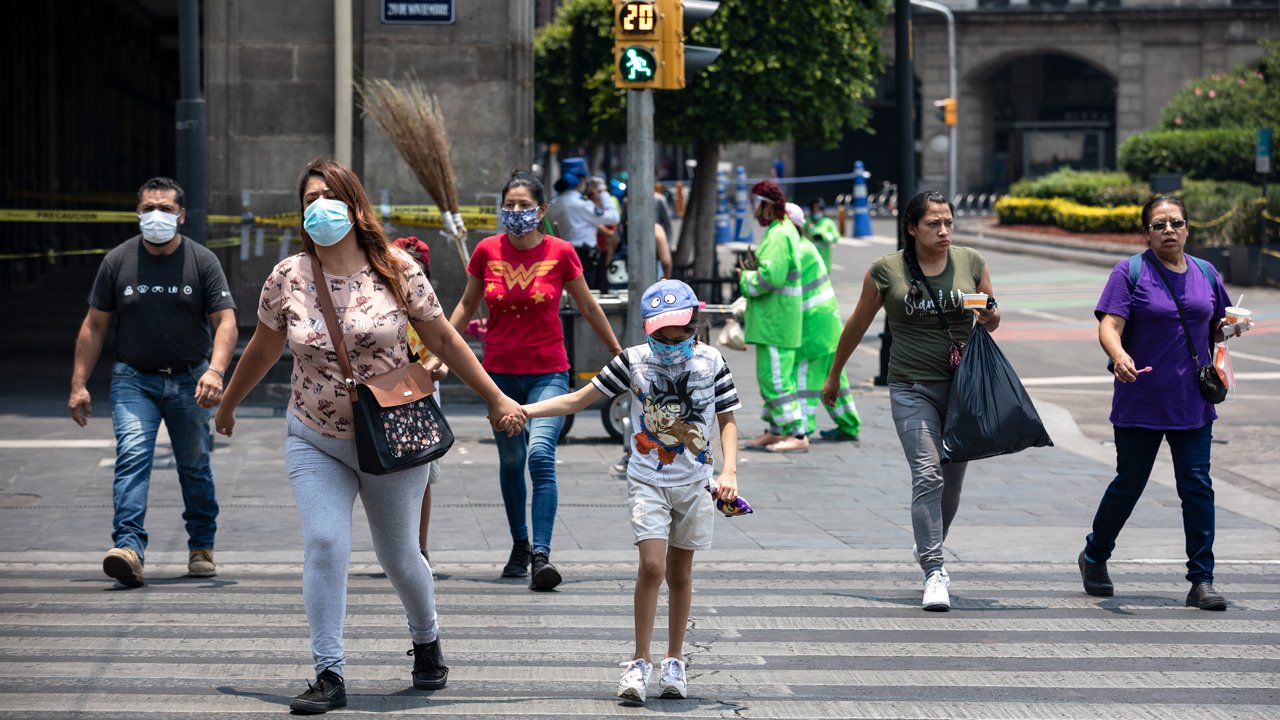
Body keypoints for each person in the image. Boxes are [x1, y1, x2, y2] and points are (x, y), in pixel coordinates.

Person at [214, 156, 526, 713]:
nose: (319, 208)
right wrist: (229, 402)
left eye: (328, 197)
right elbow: (262, 348)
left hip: (393, 433)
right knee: (326, 543)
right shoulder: (287, 277)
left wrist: (495, 396)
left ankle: (427, 640)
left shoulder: (398, 269)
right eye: (308, 200)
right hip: (314, 433)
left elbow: (446, 339)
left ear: (355, 206)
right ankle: (328, 672)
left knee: (400, 555)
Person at [504, 279, 740, 705]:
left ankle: (675, 661)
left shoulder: (712, 362)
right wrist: (523, 409)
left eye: (680, 334)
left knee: (681, 574)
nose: (672, 344)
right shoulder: (633, 361)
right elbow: (577, 400)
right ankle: (639, 661)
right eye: (662, 336)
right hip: (648, 478)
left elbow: (727, 418)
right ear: (649, 330)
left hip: (695, 482)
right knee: (652, 566)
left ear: (694, 326)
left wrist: (731, 472)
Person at [822, 190, 1000, 612]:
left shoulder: (970, 262)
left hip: (962, 389)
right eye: (933, 224)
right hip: (910, 387)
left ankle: (929, 546)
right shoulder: (886, 271)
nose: (943, 231)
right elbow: (857, 323)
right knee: (928, 474)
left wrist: (989, 314)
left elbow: (992, 318)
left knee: (952, 482)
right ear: (911, 228)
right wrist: (835, 374)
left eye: (948, 223)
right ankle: (935, 571)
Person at [449, 170, 623, 591]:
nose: (516, 212)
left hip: (549, 373)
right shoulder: (486, 251)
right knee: (511, 461)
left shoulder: (562, 252)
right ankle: (519, 545)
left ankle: (542, 556)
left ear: (542, 210)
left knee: (540, 455)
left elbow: (588, 307)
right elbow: (466, 305)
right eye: (509, 204)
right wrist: (439, 353)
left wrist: (619, 353)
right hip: (499, 378)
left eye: (525, 205)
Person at [69, 176, 238, 588]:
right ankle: (128, 548)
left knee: (195, 465)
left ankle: (201, 545)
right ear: (137, 213)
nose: (156, 216)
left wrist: (215, 371)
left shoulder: (202, 261)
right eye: (148, 208)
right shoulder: (118, 261)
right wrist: (79, 384)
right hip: (133, 380)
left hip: (190, 379)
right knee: (132, 457)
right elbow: (94, 324)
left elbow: (226, 321)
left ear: (181, 215)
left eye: (165, 208)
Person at [1079, 195, 1243, 611]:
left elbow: (1219, 323)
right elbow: (1110, 325)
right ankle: (1095, 555)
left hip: (1193, 402)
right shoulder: (1130, 272)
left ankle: (1201, 580)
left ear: (1188, 227)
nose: (1169, 230)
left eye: (1176, 223)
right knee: (1129, 484)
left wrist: (1231, 327)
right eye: (1159, 225)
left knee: (1197, 487)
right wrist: (1119, 356)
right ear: (1146, 231)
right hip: (1141, 398)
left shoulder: (1206, 272)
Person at [391, 236, 448, 573]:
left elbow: (444, 345)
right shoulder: (375, 301)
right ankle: (398, 545)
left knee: (423, 477)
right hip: (383, 399)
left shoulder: (429, 304)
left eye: (417, 270)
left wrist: (439, 366)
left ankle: (419, 547)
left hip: (424, 402)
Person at [738, 180, 807, 453]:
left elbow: (770, 278)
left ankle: (797, 433)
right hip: (776, 321)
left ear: (766, 205)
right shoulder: (781, 231)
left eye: (755, 204)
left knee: (775, 379)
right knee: (774, 377)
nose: (753, 211)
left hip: (776, 321)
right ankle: (776, 430)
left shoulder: (779, 234)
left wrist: (745, 278)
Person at [783, 203, 860, 443]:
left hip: (813, 324)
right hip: (827, 322)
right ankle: (849, 425)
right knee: (834, 378)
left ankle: (802, 429)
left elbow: (779, 285)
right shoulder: (804, 246)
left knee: (805, 376)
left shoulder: (798, 250)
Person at [558, 172, 620, 291]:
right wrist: (602, 191)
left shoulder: (561, 202)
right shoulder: (584, 206)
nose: (596, 197)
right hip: (585, 255)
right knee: (587, 291)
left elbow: (611, 234)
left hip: (597, 254)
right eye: (592, 194)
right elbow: (612, 220)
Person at [805, 198, 840, 272]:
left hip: (824, 259)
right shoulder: (807, 223)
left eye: (818, 209)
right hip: (809, 259)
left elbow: (836, 237)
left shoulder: (828, 223)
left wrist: (823, 237)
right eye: (813, 209)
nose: (815, 212)